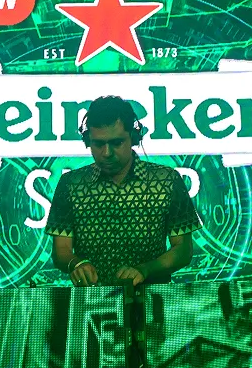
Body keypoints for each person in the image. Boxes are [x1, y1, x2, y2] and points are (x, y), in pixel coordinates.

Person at [46, 94, 202, 286]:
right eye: (98, 144)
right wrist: (76, 264)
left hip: (152, 299)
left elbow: (183, 250)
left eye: (116, 143)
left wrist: (146, 269)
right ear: (88, 140)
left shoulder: (167, 180)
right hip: (90, 301)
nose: (107, 152)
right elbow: (60, 250)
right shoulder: (71, 184)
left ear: (133, 138)